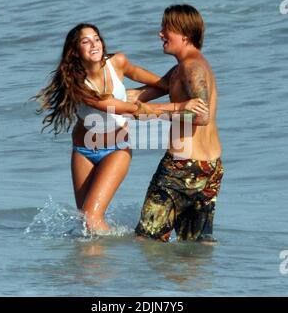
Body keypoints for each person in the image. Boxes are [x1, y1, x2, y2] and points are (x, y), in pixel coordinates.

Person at [35, 23, 208, 233]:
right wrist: (178, 106)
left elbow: (162, 83)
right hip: (83, 152)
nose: (94, 44)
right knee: (86, 223)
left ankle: (113, 258)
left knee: (91, 218)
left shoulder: (117, 62)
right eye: (85, 41)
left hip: (116, 150)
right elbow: (128, 109)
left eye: (96, 39)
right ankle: (97, 263)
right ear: (75, 50)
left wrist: (182, 83)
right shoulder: (77, 86)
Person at [133, 5, 224, 244]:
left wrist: (155, 112)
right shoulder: (182, 69)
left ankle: (149, 283)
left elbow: (201, 117)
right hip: (210, 168)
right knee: (195, 246)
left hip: (182, 168)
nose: (160, 34)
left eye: (166, 28)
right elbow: (137, 97)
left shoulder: (191, 68)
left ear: (185, 34)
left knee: (147, 240)